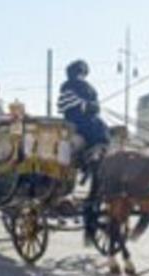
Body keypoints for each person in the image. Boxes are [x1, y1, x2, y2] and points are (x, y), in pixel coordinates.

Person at [58, 59, 110, 245]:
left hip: (91, 124)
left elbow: (94, 104)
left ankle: (98, 158)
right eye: (80, 72)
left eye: (83, 72)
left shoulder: (88, 87)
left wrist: (93, 106)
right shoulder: (67, 87)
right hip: (76, 127)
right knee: (76, 143)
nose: (82, 75)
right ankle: (70, 183)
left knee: (103, 132)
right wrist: (86, 106)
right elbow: (65, 105)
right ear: (74, 73)